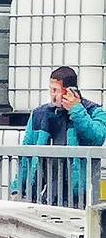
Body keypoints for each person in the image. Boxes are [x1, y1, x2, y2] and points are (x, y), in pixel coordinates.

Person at [12, 66, 106, 207]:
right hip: (45, 192)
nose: (52, 95)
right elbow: (26, 155)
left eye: (55, 90)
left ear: (69, 91)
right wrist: (17, 188)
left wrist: (76, 110)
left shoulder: (94, 111)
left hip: (81, 197)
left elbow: (97, 138)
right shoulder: (40, 114)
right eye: (51, 90)